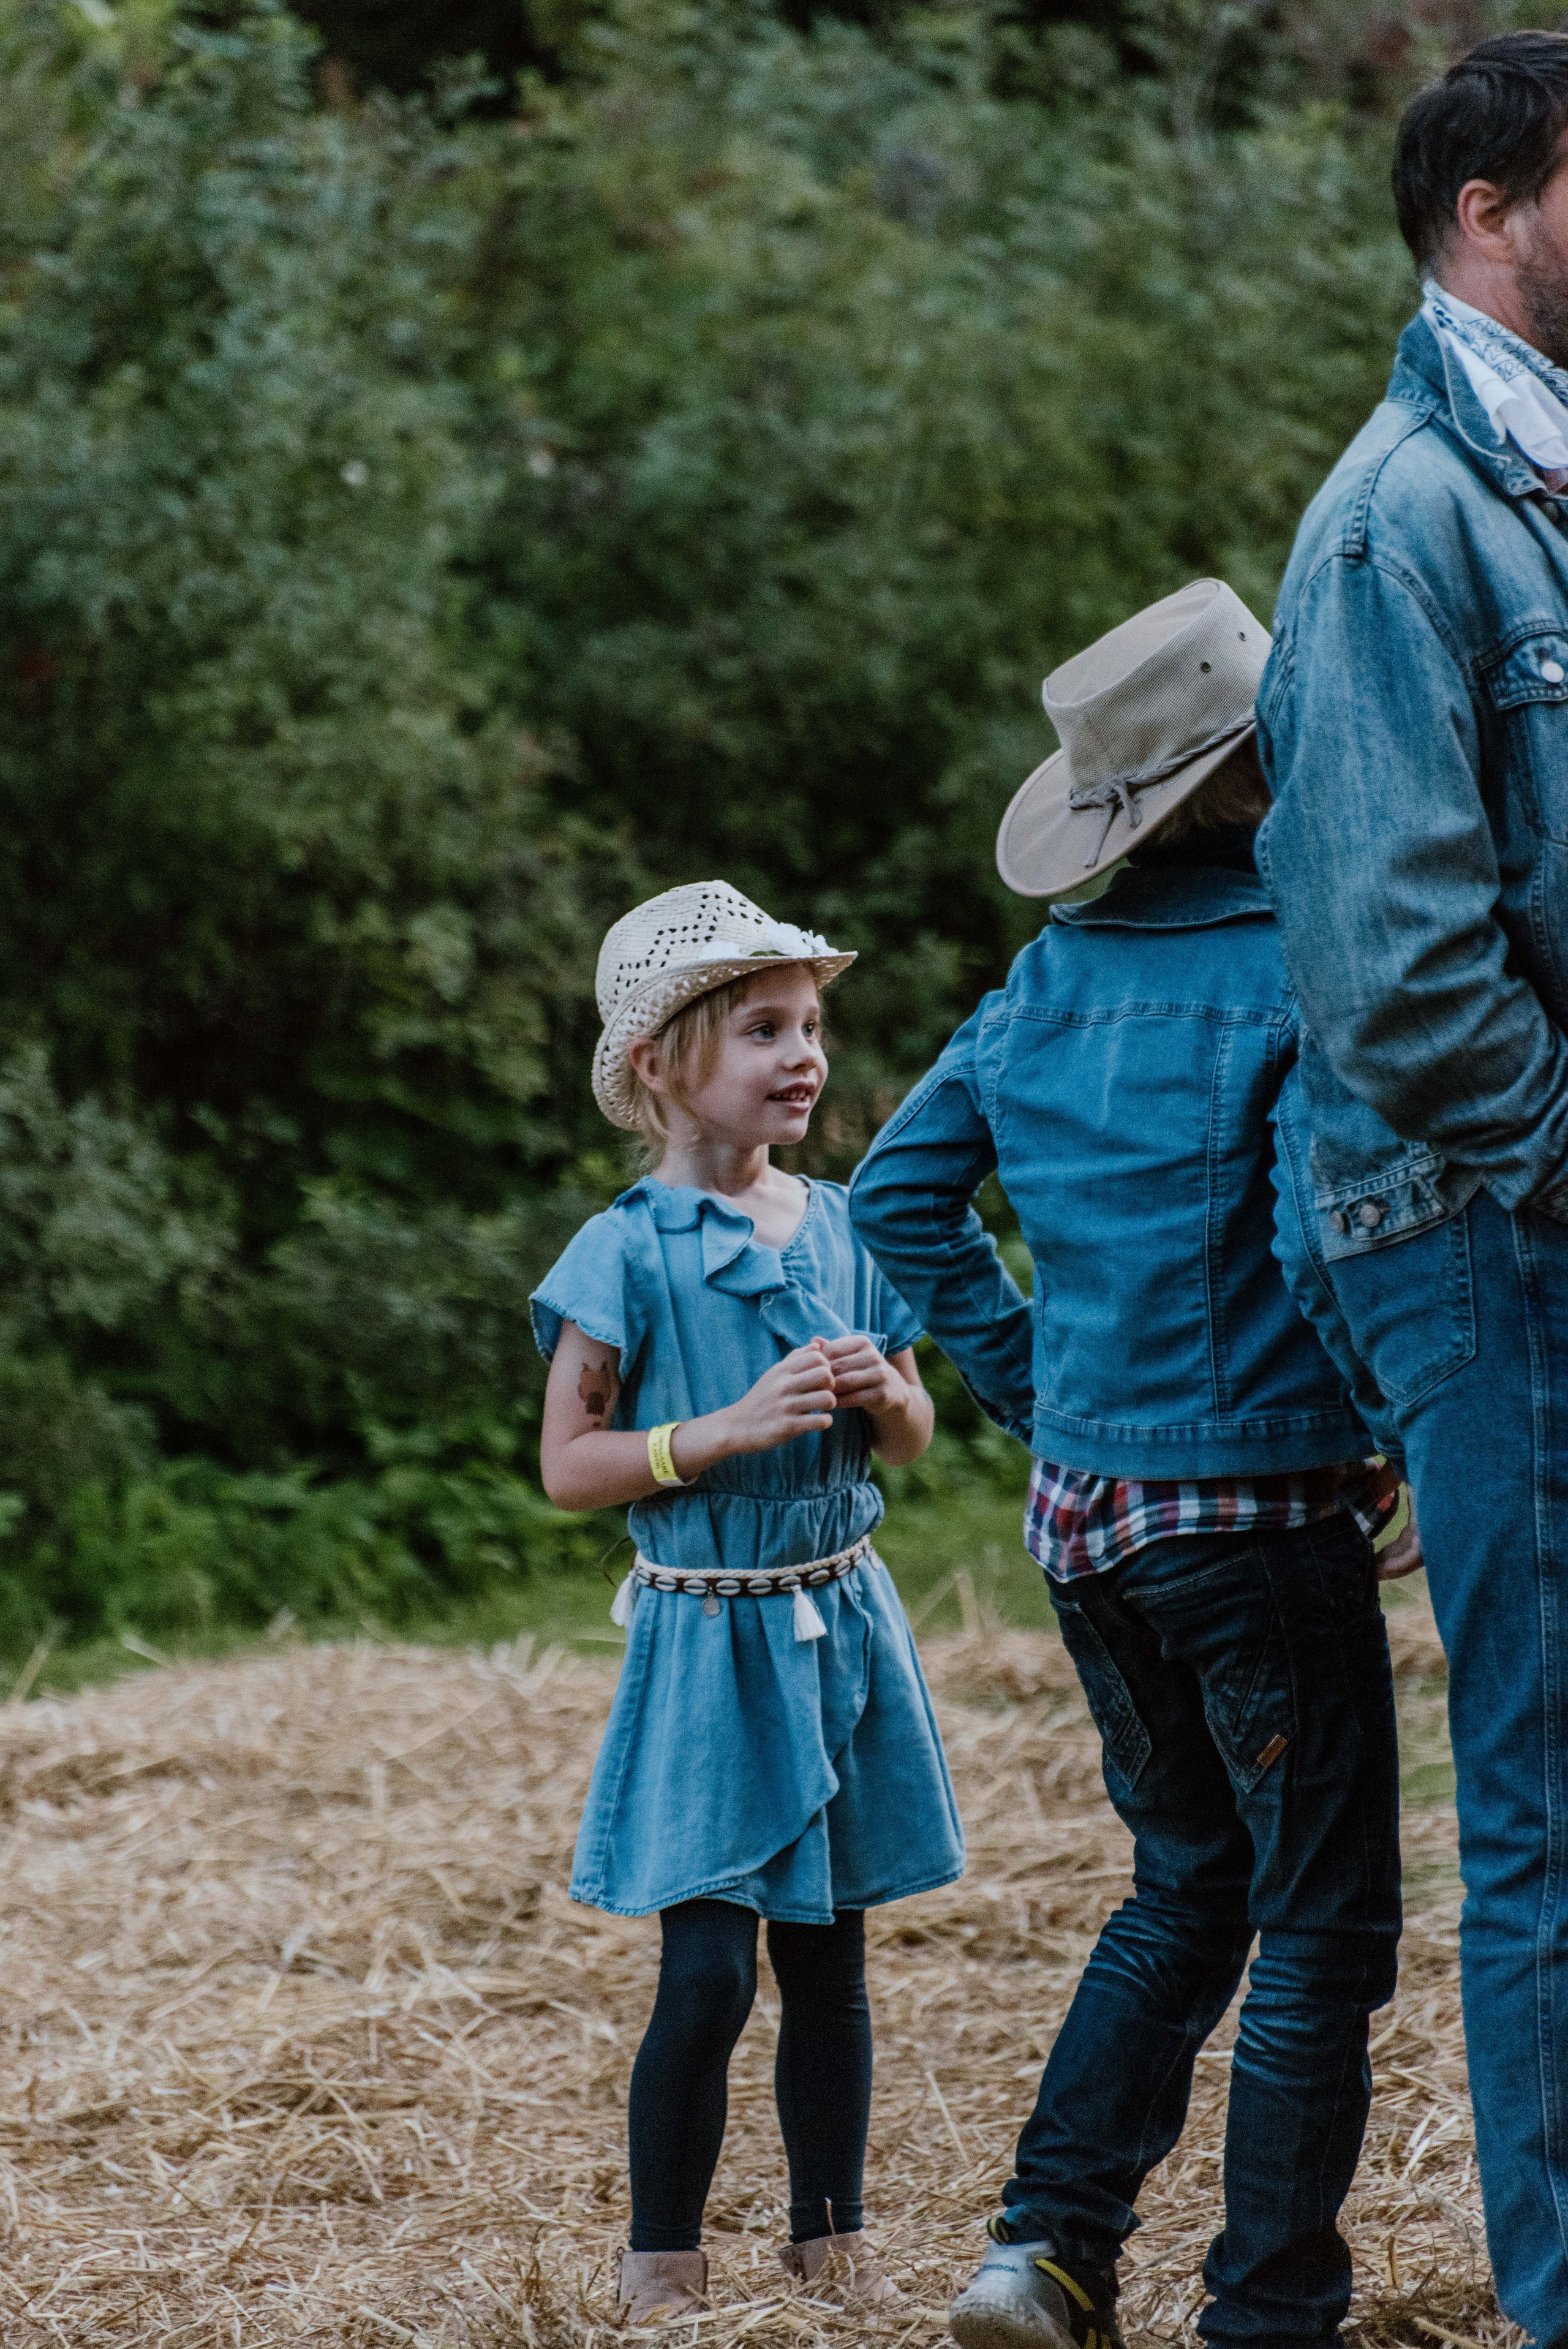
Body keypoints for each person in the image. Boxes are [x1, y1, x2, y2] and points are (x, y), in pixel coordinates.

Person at [848, 582, 1408, 2349]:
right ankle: (1266, 2307)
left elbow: (896, 1200)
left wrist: (1036, 1387)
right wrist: (1377, 1427)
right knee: (1323, 1925)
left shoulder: (1053, 972)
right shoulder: (1299, 960)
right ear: (1268, 768)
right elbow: (1315, 1245)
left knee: (1187, 1880)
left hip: (1088, 1523)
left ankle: (1045, 2248)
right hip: (1257, 1514)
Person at [1256, 32, 1568, 2338]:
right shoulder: (1397, 521)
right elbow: (1399, 976)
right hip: (1494, 1230)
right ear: (1492, 210)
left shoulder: (1545, 491)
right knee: (1553, 1806)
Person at [529, 878, 965, 2326]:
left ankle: (827, 2246)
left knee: (830, 1959)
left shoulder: (844, 1225)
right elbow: (569, 1465)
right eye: (760, 1030)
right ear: (660, 1065)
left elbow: (906, 1439)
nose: (802, 1057)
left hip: (838, 1616)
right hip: (709, 1634)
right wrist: (716, 1430)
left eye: (809, 1027)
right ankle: (661, 2257)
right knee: (708, 1965)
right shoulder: (626, 1251)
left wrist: (884, 1393)